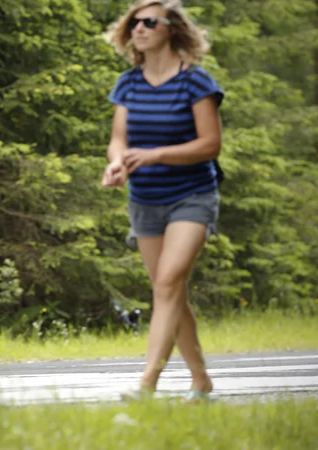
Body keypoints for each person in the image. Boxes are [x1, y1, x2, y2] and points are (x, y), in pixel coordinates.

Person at [102, 0, 224, 403]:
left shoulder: (195, 82)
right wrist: (118, 164)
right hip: (145, 200)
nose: (139, 27)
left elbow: (210, 144)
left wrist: (154, 154)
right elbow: (119, 138)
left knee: (169, 282)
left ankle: (147, 383)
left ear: (169, 28)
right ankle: (201, 381)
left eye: (149, 21)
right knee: (168, 290)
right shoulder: (129, 84)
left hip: (192, 196)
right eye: (134, 22)